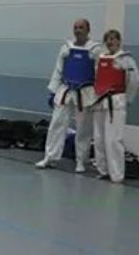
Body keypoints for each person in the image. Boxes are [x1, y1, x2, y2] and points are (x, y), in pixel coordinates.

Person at [35, 18, 103, 172]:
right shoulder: (66, 48)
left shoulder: (95, 50)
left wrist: (98, 96)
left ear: (88, 30)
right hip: (65, 90)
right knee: (57, 124)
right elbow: (58, 70)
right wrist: (53, 91)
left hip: (85, 92)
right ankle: (50, 157)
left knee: (83, 128)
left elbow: (100, 74)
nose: (78, 30)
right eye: (76, 27)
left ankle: (81, 160)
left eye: (81, 27)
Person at [90, 29, 139, 183]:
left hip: (116, 101)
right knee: (99, 138)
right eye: (107, 39)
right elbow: (97, 79)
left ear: (119, 41)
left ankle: (117, 175)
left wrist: (126, 99)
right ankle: (103, 169)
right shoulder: (101, 58)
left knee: (113, 139)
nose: (110, 42)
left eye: (113, 39)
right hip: (100, 101)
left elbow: (134, 80)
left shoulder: (125, 59)